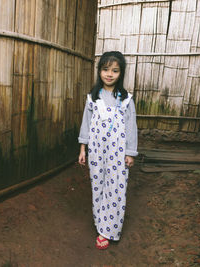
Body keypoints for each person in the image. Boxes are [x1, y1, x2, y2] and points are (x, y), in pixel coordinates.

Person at [78, 51, 138, 250]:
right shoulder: (93, 98)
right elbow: (86, 124)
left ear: (121, 73)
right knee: (98, 184)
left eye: (114, 70)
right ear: (99, 71)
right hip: (96, 150)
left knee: (117, 187)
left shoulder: (126, 99)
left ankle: (109, 229)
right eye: (105, 70)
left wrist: (130, 152)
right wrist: (82, 148)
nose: (109, 74)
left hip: (118, 152)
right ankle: (101, 223)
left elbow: (131, 127)